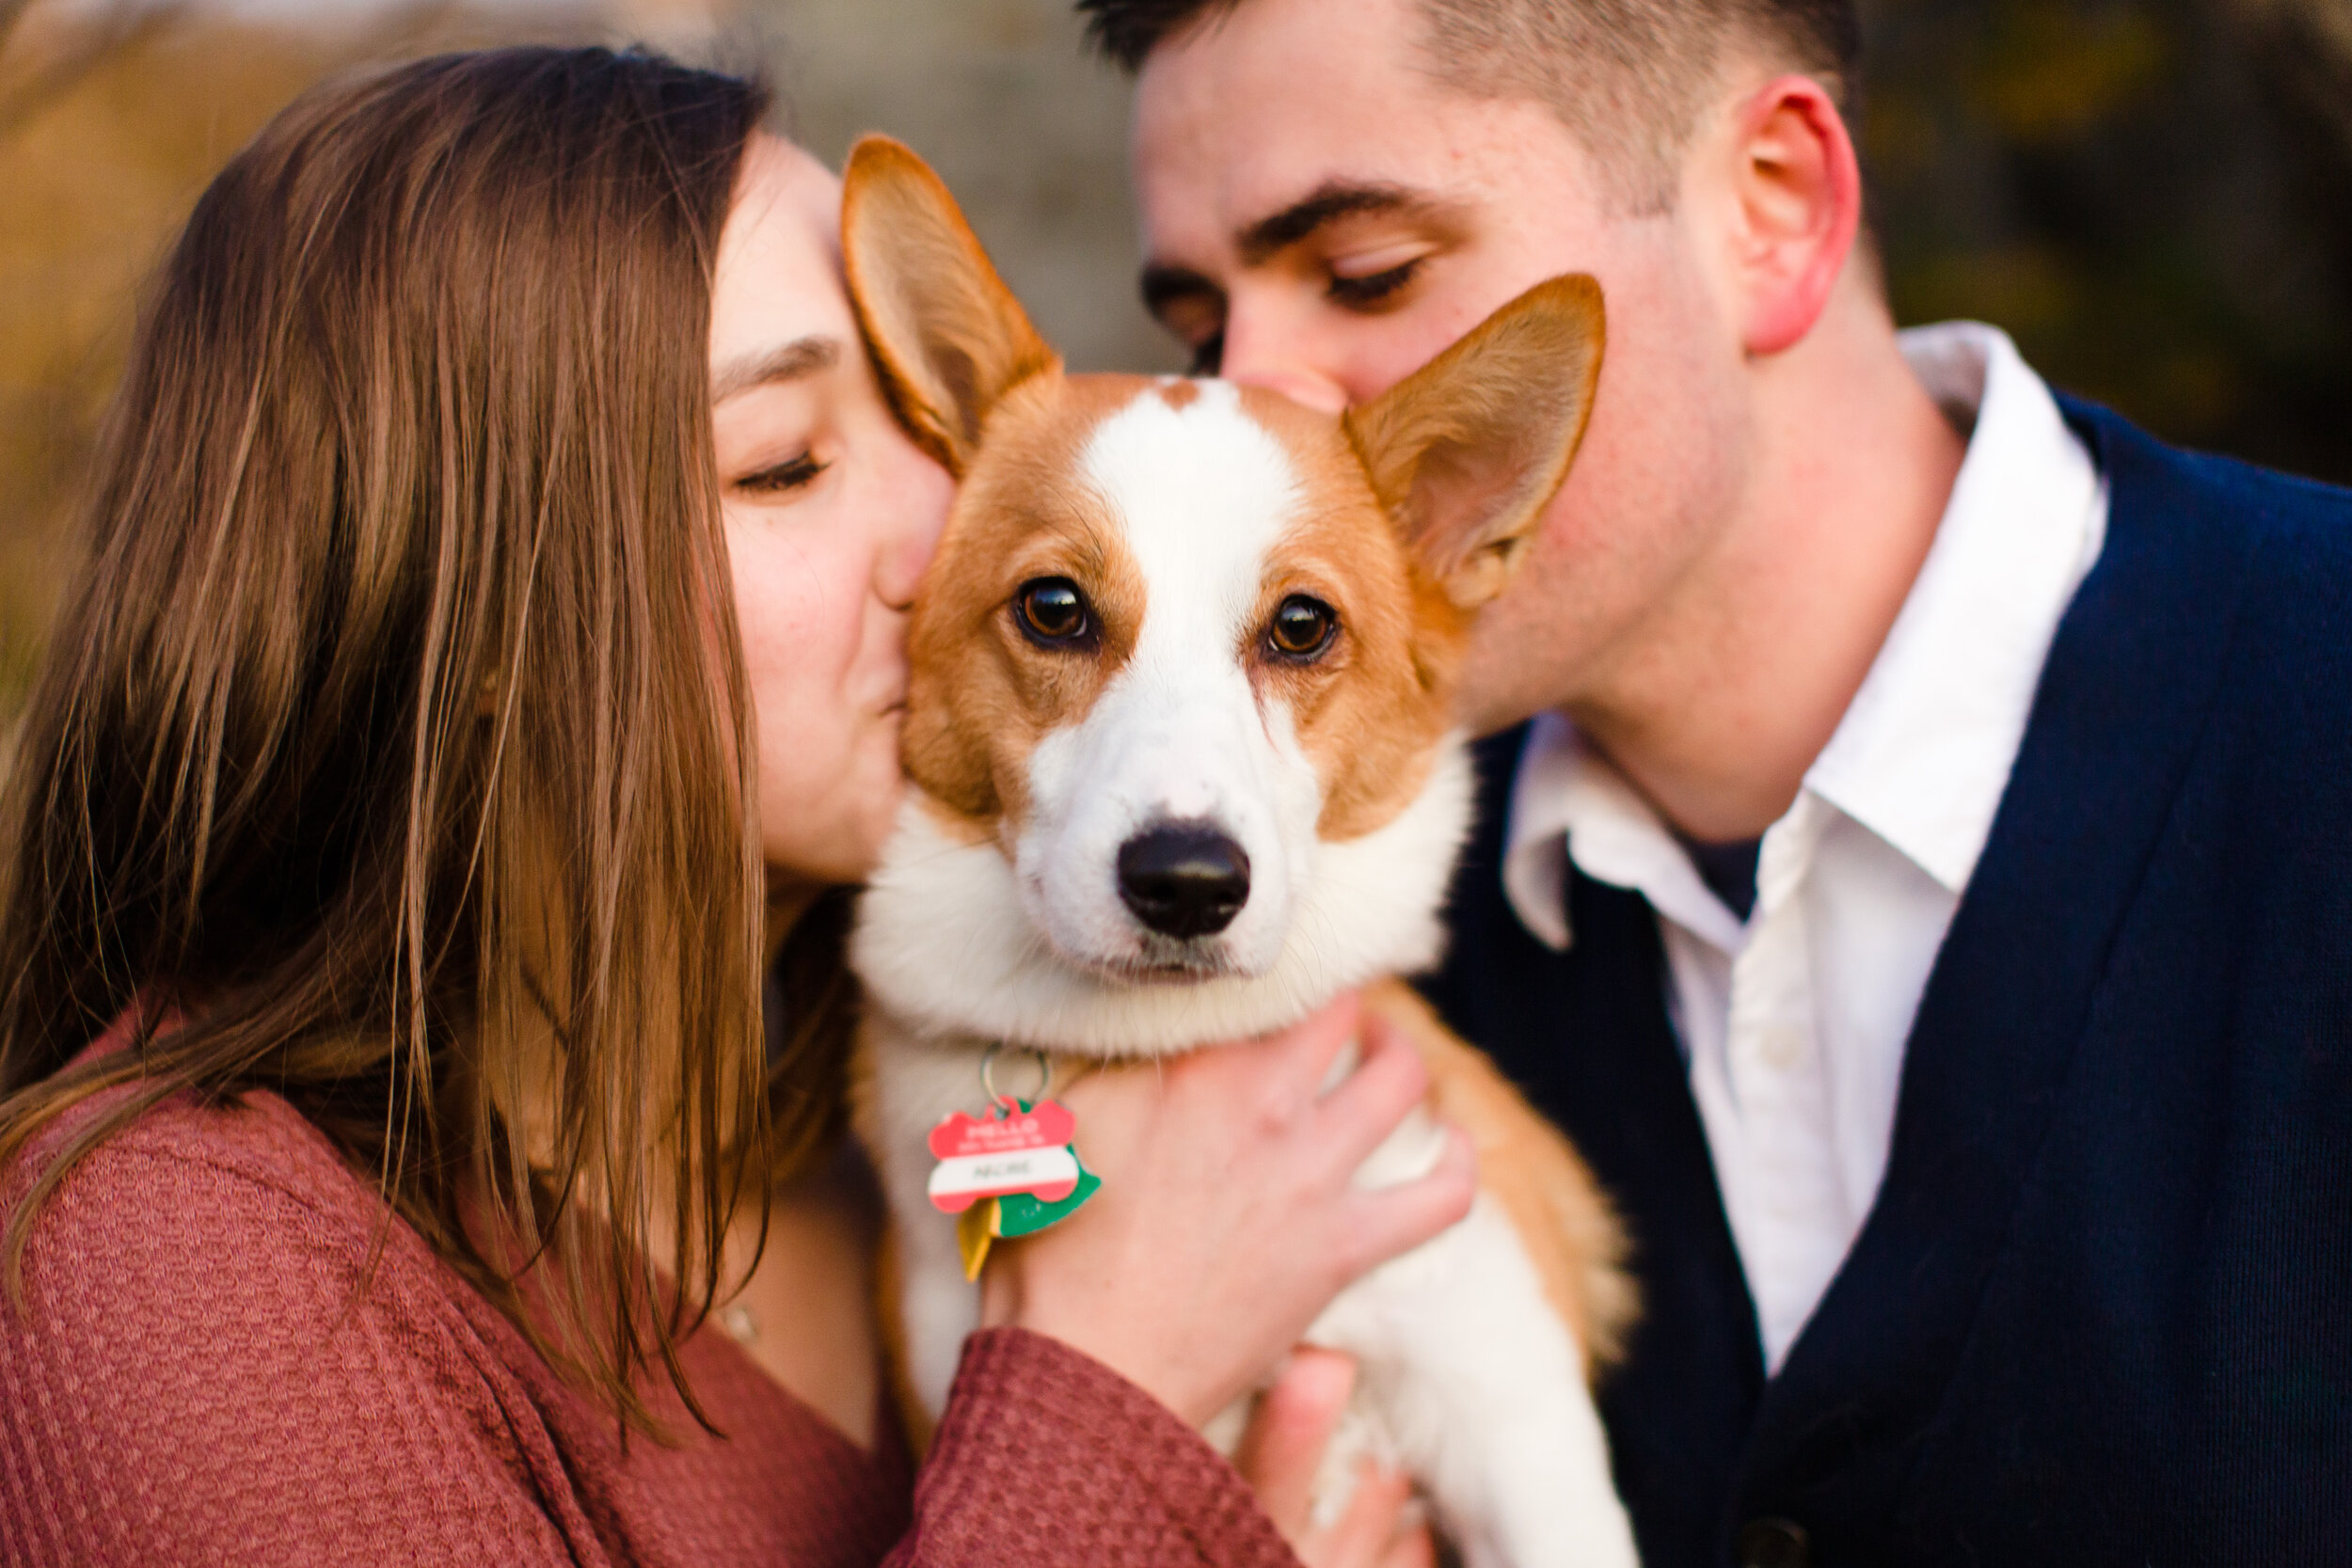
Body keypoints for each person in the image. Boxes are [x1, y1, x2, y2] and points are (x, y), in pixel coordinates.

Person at [0, 47, 1471, 1568]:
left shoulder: (935, 1129)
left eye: (929, 421)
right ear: (465, 619)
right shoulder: (170, 1265)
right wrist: (1116, 1408)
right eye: (787, 464)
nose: (958, 538)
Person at [1077, 0, 2352, 1563]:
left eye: (1365, 276)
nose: (1250, 407)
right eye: (1205, 329)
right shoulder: (1292, 933)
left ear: (1774, 207)